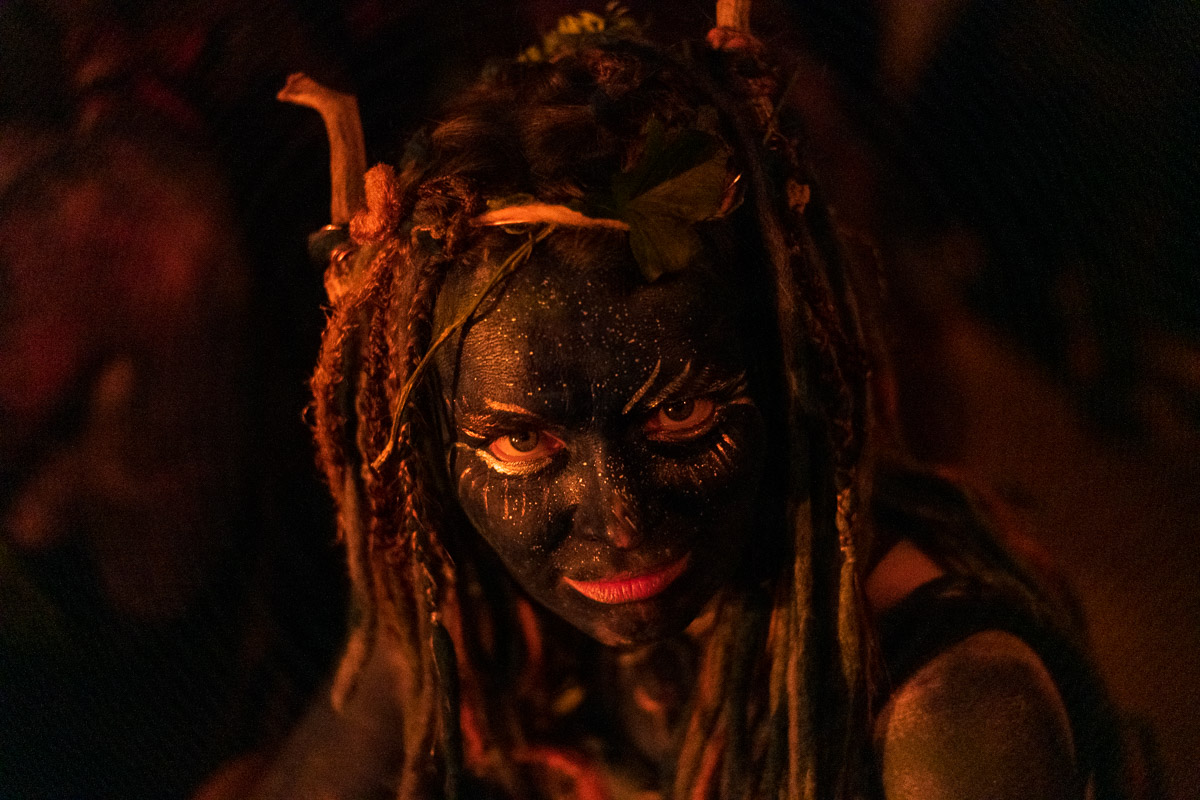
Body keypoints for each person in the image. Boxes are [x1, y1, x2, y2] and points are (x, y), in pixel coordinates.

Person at [252, 8, 1127, 799]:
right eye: (521, 443)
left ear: (785, 366)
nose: (621, 521)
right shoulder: (476, 632)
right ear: (428, 444)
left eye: (680, 417)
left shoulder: (947, 713)